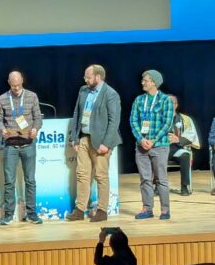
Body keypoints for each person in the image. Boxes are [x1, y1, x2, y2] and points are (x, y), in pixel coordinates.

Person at [67, 65, 122, 222]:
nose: (85, 80)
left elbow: (114, 121)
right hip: (84, 138)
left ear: (98, 77)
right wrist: (74, 138)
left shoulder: (111, 94)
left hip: (101, 142)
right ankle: (79, 209)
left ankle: (102, 210)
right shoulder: (83, 90)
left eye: (88, 77)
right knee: (82, 174)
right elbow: (77, 114)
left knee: (100, 176)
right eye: (85, 77)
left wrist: (106, 143)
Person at [0, 70, 44, 226]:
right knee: (9, 182)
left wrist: (36, 129)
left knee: (30, 181)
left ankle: (32, 214)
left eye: (18, 84)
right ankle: (8, 215)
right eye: (13, 85)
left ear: (22, 80)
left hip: (28, 144)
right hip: (11, 146)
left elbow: (37, 118)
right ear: (9, 82)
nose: (15, 88)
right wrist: (2, 130)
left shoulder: (32, 96)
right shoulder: (2, 99)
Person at [130, 69, 173, 220]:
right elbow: (133, 121)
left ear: (154, 82)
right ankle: (147, 208)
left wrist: (153, 140)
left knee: (161, 179)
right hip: (141, 146)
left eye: (146, 80)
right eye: (143, 80)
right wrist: (141, 139)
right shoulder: (139, 100)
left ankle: (165, 210)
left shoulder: (165, 100)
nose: (142, 82)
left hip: (159, 145)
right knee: (145, 178)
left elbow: (167, 123)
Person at [167, 94, 200, 196]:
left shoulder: (185, 119)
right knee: (156, 156)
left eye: (171, 103)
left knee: (185, 156)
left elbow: (192, 134)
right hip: (162, 148)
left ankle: (184, 186)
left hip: (178, 148)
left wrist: (178, 139)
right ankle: (157, 186)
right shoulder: (157, 119)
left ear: (176, 105)